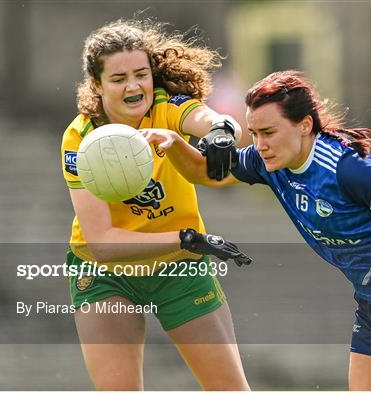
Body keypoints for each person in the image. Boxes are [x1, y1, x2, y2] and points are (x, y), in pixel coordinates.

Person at [142, 70, 371, 390]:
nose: (259, 144)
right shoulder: (269, 163)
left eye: (269, 132)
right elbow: (205, 173)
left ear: (305, 125)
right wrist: (174, 142)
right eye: (256, 133)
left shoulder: (347, 169)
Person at [60, 19, 251, 391]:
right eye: (118, 79)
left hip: (178, 270)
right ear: (96, 86)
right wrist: (185, 238)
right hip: (106, 275)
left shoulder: (166, 107)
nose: (134, 86)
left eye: (141, 74)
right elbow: (101, 243)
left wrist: (223, 133)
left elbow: (211, 118)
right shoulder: (80, 138)